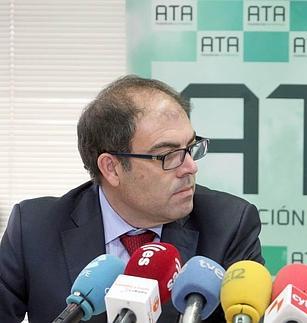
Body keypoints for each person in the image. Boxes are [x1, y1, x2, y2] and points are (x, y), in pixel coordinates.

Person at [0, 75, 264, 322]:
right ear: (111, 168)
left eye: (191, 148)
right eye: (168, 155)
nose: (190, 167)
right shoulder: (34, 228)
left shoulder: (229, 226)